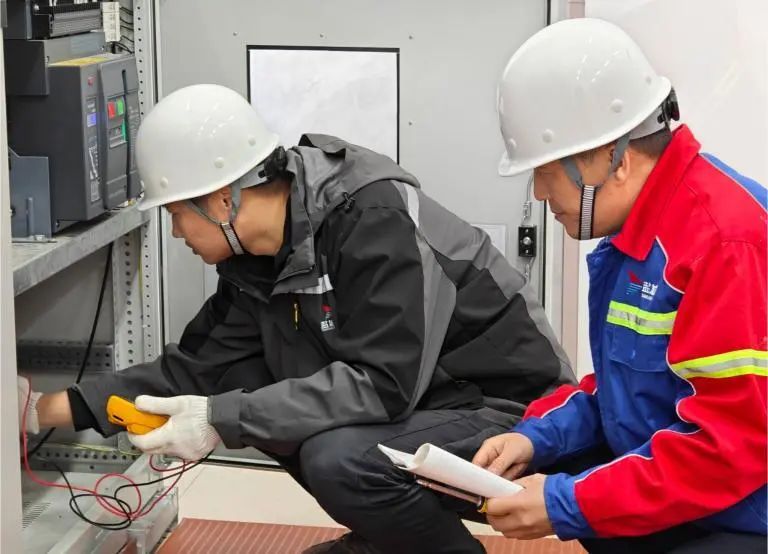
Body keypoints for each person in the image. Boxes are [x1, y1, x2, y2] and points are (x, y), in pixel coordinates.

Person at [18, 84, 575, 554]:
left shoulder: (373, 218)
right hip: (428, 405)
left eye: (176, 214)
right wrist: (36, 411)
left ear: (221, 201)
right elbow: (195, 371)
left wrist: (220, 417)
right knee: (253, 389)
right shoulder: (258, 261)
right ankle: (389, 538)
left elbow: (385, 385)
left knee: (332, 455)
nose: (176, 232)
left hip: (514, 416)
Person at [473, 18, 767, 554]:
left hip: (744, 517)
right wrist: (532, 438)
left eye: (546, 171)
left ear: (617, 160)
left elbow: (729, 446)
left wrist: (567, 503)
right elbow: (623, 391)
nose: (538, 193)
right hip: (696, 496)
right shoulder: (645, 236)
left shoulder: (725, 241)